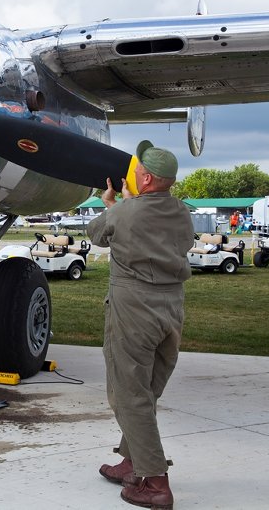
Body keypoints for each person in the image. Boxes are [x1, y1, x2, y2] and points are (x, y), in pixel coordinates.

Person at [87, 140, 194, 510]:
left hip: (134, 310)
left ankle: (155, 483)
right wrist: (126, 205)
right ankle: (131, 462)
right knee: (146, 390)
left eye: (137, 169)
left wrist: (111, 204)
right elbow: (156, 231)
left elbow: (96, 234)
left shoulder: (126, 211)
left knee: (129, 394)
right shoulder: (182, 211)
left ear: (145, 177)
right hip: (171, 310)